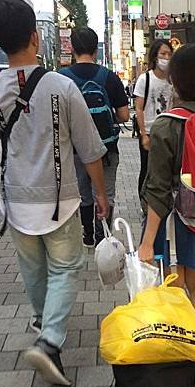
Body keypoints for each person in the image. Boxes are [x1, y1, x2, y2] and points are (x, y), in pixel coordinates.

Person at [0, 0, 109, 387]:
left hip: (15, 201)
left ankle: (45, 324)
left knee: (34, 271)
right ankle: (49, 343)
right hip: (60, 200)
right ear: (34, 36)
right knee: (65, 268)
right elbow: (90, 148)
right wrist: (102, 193)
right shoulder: (63, 87)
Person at [138, 44, 195, 385]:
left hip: (173, 223)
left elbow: (158, 190)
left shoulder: (165, 125)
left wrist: (147, 242)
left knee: (172, 288)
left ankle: (178, 358)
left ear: (175, 79)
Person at [60, 27, 129, 247]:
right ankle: (103, 237)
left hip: (75, 151)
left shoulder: (61, 79)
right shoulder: (109, 77)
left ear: (72, 48)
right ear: (96, 48)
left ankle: (87, 235)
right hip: (106, 149)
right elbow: (124, 115)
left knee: (83, 193)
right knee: (106, 193)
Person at [134, 39, 173, 199]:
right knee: (147, 168)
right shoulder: (145, 79)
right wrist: (143, 134)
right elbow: (138, 108)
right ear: (155, 57)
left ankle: (162, 198)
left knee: (165, 168)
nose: (166, 58)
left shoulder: (173, 80)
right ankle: (144, 199)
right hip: (150, 131)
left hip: (168, 131)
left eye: (169, 54)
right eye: (163, 54)